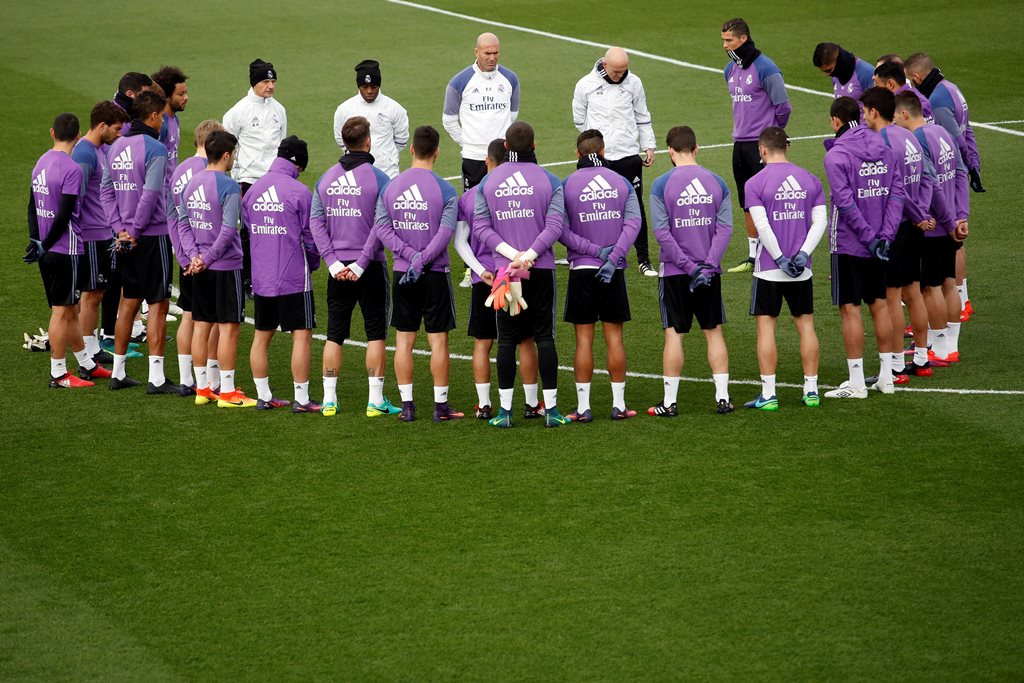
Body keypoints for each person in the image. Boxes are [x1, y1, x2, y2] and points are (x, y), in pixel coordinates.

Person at [472, 121, 569, 428]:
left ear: (505, 148)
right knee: (543, 337)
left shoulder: (487, 183)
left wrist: (512, 256)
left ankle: (504, 413)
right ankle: (551, 411)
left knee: (506, 341)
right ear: (534, 146)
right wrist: (528, 256)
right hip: (539, 269)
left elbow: (480, 228)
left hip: (505, 273)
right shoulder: (550, 179)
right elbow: (555, 227)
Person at [310, 115, 401, 418]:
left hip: (338, 271)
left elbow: (316, 223)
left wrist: (333, 262)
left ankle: (329, 401)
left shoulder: (325, 179)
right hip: (370, 266)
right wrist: (361, 263)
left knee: (334, 334)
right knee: (375, 333)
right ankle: (375, 401)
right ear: (368, 141)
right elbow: (381, 225)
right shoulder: (379, 178)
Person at [370, 125, 462, 423]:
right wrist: (422, 259)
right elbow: (445, 233)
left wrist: (409, 258)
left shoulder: (391, 187)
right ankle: (440, 407)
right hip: (435, 273)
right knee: (438, 342)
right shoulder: (446, 190)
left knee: (404, 341)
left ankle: (408, 407)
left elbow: (382, 229)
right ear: (437, 152)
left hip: (402, 273)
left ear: (411, 150)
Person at [452, 138, 543, 420]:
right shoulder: (524, 189)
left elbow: (459, 241)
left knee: (484, 341)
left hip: (487, 280)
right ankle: (531, 404)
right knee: (525, 340)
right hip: (518, 273)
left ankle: (484, 405)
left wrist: (480, 271)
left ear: (487, 162)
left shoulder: (470, 196)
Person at [648, 125, 734, 416]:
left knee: (674, 334)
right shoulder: (717, 182)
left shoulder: (661, 184)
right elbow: (724, 229)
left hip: (674, 272)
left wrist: (687, 266)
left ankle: (669, 403)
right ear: (696, 149)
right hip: (709, 272)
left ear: (670, 152)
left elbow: (662, 233)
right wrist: (707, 266)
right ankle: (723, 398)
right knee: (713, 331)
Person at [822, 96, 905, 398]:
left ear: (835, 121)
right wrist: (885, 235)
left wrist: (869, 238)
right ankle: (886, 377)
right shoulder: (884, 147)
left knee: (850, 308)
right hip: (883, 243)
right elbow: (897, 193)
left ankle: (857, 383)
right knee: (879, 304)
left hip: (850, 243)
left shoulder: (836, 156)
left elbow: (844, 203)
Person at [743, 127, 827, 410]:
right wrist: (802, 254)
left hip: (768, 269)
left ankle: (769, 395)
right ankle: (811, 391)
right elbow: (820, 223)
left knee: (766, 329)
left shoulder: (755, 183)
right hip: (802, 270)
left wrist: (778, 258)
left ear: (762, 150)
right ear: (786, 147)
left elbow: (762, 227)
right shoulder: (811, 180)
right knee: (806, 326)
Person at [559, 130, 641, 420]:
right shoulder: (620, 182)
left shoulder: (567, 184)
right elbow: (634, 223)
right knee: (614, 338)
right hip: (613, 272)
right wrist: (613, 256)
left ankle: (584, 408)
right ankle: (618, 405)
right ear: (603, 152)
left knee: (584, 340)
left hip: (582, 269)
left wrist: (594, 251)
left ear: (578, 154)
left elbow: (561, 230)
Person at [25, 112, 108, 388]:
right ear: (77, 135)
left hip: (46, 249)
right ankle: (58, 373)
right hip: (66, 249)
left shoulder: (41, 163)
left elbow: (32, 207)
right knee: (62, 312)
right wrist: (46, 243)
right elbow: (64, 215)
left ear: (52, 133)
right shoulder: (71, 168)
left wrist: (36, 241)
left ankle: (85, 363)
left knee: (70, 309)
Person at [102, 90, 177, 394]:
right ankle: (156, 378)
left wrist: (120, 229)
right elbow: (151, 193)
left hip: (124, 238)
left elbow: (106, 191)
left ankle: (117, 372)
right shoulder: (155, 149)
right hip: (152, 234)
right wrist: (134, 229)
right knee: (158, 304)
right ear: (155, 116)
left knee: (128, 303)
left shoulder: (116, 146)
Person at [860, 87, 935, 382]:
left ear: (874, 112)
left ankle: (894, 367)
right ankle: (921, 358)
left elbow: (896, 190)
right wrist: (924, 214)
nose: (863, 117)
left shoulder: (882, 142)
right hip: (914, 228)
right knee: (913, 293)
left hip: (896, 227)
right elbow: (927, 178)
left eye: (865, 111)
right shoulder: (909, 137)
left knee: (891, 298)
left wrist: (916, 215)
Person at [245, 135, 321, 412]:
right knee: (301, 335)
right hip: (293, 278)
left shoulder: (253, 191)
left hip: (262, 278)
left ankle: (264, 396)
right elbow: (311, 238)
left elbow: (248, 230)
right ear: (298, 164)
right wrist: (313, 263)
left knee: (261, 337)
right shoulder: (300, 192)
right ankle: (301, 399)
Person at [904, 52, 982, 321]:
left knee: (933, 284)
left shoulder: (935, 104)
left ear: (915, 77)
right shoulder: (951, 88)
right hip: (953, 195)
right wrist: (973, 163)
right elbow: (966, 132)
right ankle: (952, 329)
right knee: (949, 272)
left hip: (938, 215)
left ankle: (938, 336)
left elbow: (953, 148)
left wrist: (945, 219)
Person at [893, 91, 969, 366]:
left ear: (904, 114)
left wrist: (948, 222)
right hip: (952, 220)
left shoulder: (918, 139)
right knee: (950, 284)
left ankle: (937, 347)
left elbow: (932, 185)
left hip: (936, 225)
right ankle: (951, 346)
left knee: (931, 289)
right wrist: (962, 215)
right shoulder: (941, 131)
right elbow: (960, 171)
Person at [180, 130, 253, 408]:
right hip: (224, 266)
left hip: (200, 267)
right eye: (233, 154)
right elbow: (228, 231)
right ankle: (228, 392)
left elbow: (183, 224)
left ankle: (202, 389)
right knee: (228, 329)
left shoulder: (191, 184)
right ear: (225, 155)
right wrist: (207, 258)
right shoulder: (230, 186)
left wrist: (194, 256)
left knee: (201, 325)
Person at [443, 32, 521, 288]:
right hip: (474, 158)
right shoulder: (460, 81)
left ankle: (509, 260)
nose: (492, 57)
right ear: (476, 52)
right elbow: (448, 119)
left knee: (505, 209)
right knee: (472, 213)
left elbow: (512, 114)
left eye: (496, 52)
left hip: (503, 160)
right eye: (487, 53)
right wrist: (468, 143)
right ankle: (471, 268)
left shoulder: (510, 78)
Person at [572, 47, 657, 277]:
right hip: (600, 158)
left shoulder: (634, 83)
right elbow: (579, 119)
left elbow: (642, 115)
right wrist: (596, 146)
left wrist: (648, 145)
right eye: (617, 71)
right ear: (605, 65)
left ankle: (644, 259)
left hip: (628, 156)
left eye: (624, 70)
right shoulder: (586, 85)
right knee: (595, 207)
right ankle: (589, 253)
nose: (620, 75)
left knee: (635, 207)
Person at [720, 17, 792, 274]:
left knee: (769, 199)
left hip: (762, 146)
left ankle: (778, 251)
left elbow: (783, 106)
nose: (725, 45)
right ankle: (753, 256)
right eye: (723, 40)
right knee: (746, 200)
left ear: (743, 39)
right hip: (739, 144)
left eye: (729, 40)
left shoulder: (766, 68)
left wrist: (774, 135)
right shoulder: (730, 70)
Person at [168, 119, 226, 397]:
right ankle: (212, 380)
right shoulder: (209, 172)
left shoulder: (179, 170)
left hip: (186, 255)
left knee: (189, 316)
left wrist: (183, 255)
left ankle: (185, 379)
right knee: (211, 320)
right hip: (208, 258)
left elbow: (174, 218)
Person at [223, 58, 287, 297]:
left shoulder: (279, 110)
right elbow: (228, 148)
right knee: (249, 231)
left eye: (273, 81)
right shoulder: (237, 112)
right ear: (254, 83)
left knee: (275, 229)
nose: (270, 86)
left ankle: (272, 275)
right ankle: (247, 279)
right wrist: (236, 179)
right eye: (265, 81)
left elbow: (281, 143)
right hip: (248, 180)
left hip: (274, 180)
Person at [71, 101, 129, 367]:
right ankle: (86, 353)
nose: (119, 134)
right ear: (102, 125)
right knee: (91, 294)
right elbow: (75, 197)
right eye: (116, 129)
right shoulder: (84, 153)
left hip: (102, 233)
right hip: (90, 235)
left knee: (98, 292)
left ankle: (91, 347)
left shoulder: (98, 149)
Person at [333, 59, 409, 179]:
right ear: (358, 86)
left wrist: (386, 156)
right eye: (365, 87)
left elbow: (401, 140)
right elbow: (341, 139)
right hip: (355, 173)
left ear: (379, 85)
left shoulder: (395, 108)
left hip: (388, 173)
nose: (369, 91)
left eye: (373, 87)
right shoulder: (344, 109)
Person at [151, 66, 189, 188]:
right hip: (160, 193)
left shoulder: (175, 120)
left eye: (186, 93)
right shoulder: (160, 125)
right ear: (166, 96)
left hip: (171, 191)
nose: (186, 98)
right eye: (181, 94)